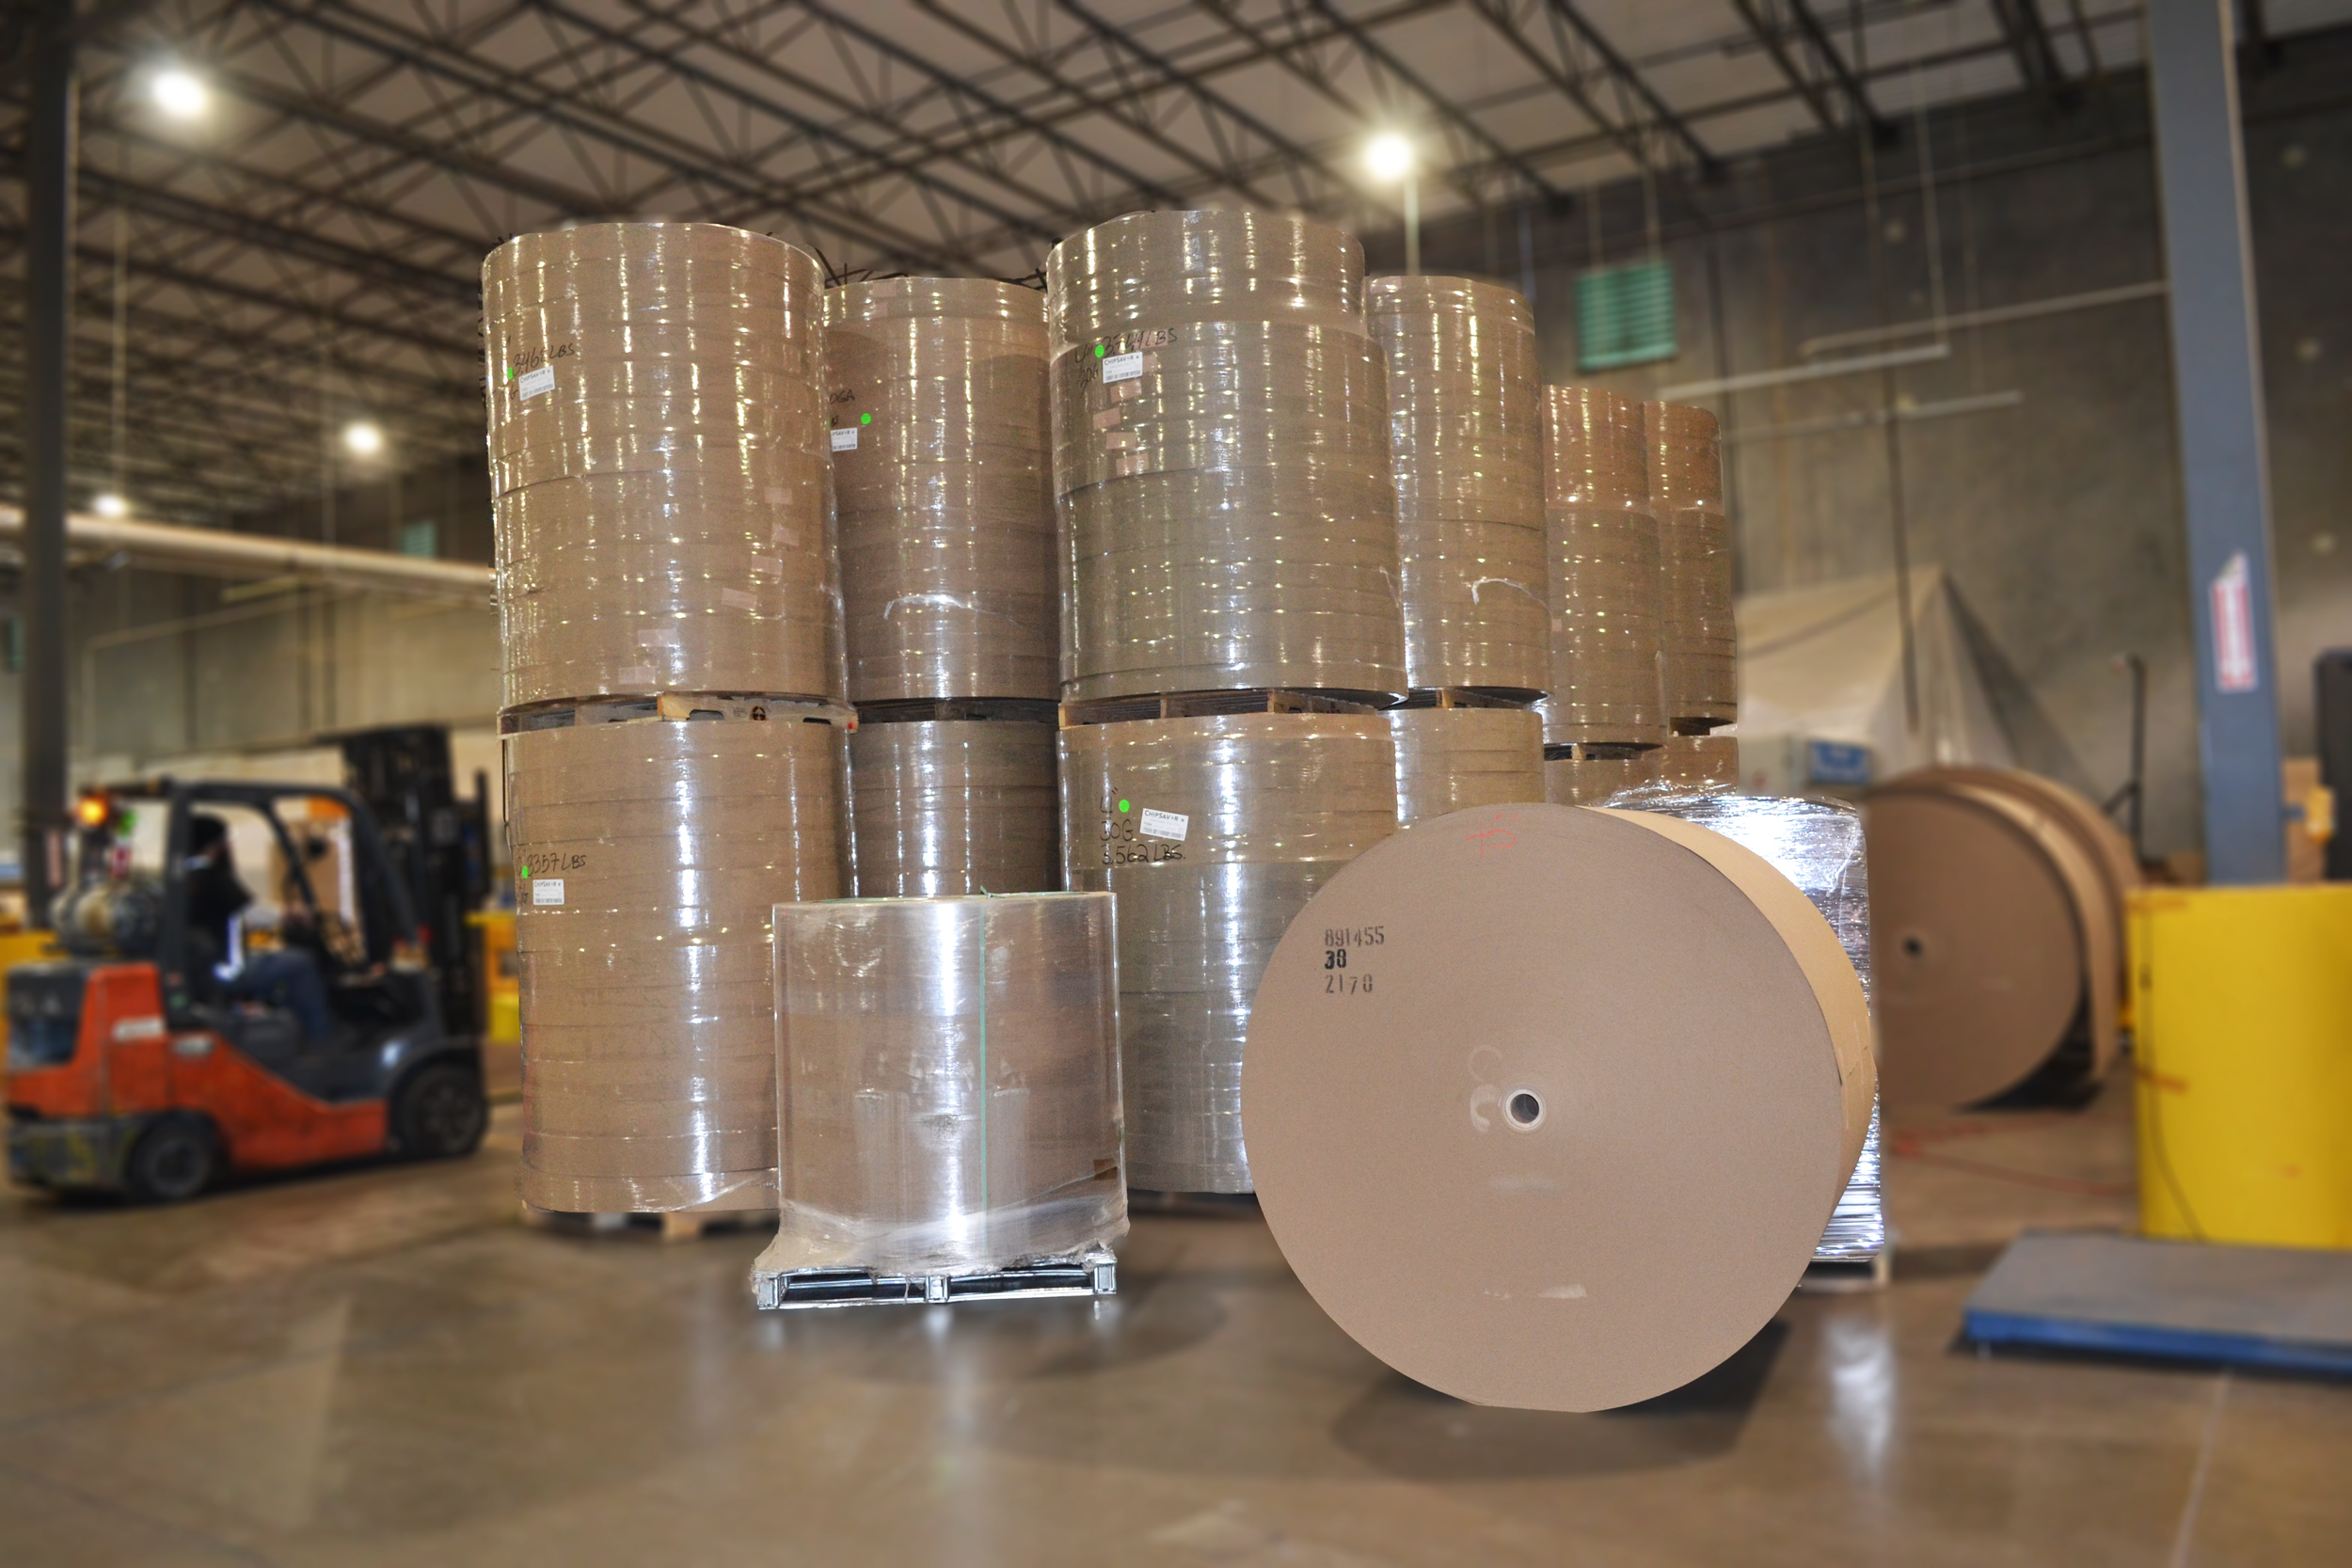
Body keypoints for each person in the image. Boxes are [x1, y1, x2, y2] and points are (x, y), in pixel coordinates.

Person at [185, 814, 334, 1045]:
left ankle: (287, 1026)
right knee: (301, 963)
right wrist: (292, 913)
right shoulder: (209, 874)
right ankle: (320, 1040)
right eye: (227, 840)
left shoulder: (184, 876)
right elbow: (251, 912)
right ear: (215, 843)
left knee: (278, 960)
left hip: (204, 969)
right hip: (227, 971)